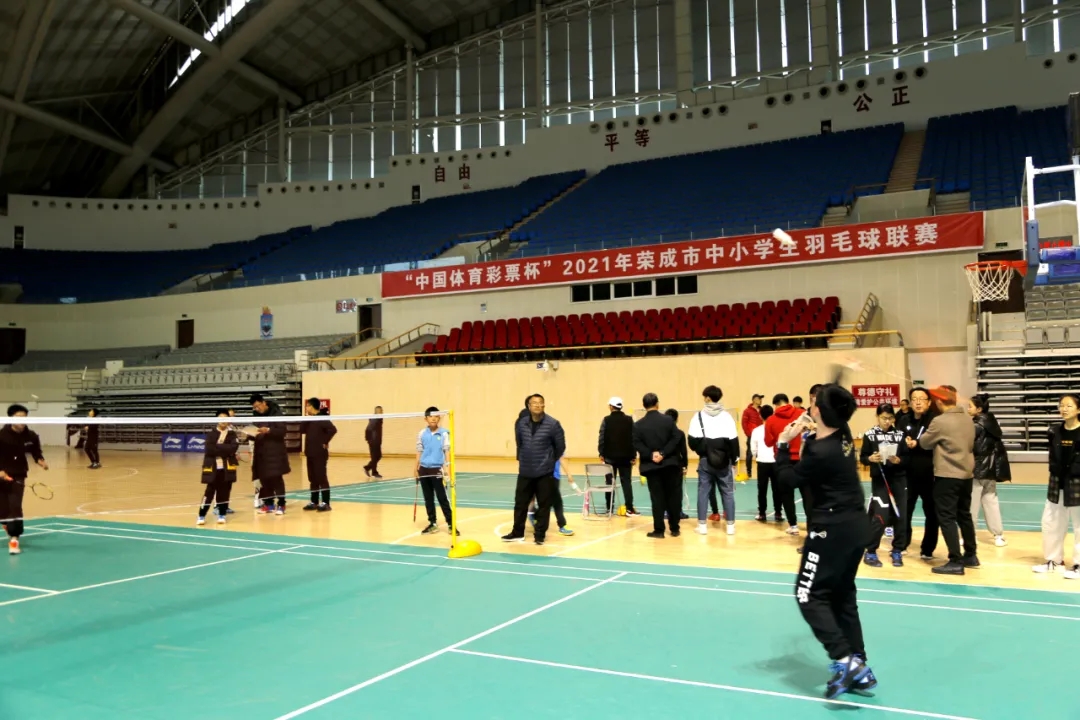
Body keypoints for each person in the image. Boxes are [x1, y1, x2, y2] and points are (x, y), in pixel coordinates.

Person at [775, 384, 875, 700]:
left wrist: (783, 444)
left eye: (815, 403)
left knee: (808, 594)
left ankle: (845, 660)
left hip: (830, 530)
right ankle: (859, 662)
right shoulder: (843, 434)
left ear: (818, 410)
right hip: (856, 526)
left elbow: (787, 480)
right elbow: (832, 414)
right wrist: (813, 422)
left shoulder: (821, 452)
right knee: (842, 595)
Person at [919, 385, 978, 575]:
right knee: (964, 515)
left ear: (938, 402)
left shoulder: (940, 421)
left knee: (946, 517)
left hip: (947, 475)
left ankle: (955, 560)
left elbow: (924, 443)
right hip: (966, 475)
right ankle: (971, 554)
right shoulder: (967, 418)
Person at [504, 394, 566, 546]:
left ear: (544, 405)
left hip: (544, 472)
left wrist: (549, 461)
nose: (538, 405)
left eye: (540, 403)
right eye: (534, 403)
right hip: (525, 471)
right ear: (529, 406)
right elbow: (520, 443)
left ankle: (540, 535)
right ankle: (517, 532)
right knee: (520, 504)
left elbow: (560, 447)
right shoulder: (521, 423)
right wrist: (522, 459)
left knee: (544, 505)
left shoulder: (553, 424)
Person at [1033, 394, 1080, 579]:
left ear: (1078, 409)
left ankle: (1078, 564)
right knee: (1051, 523)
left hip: (1077, 484)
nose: (1064, 409)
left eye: (1069, 405)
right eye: (1061, 405)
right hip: (1057, 484)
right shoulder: (1054, 431)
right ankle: (1054, 560)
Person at [861, 403, 908, 568]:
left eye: (890, 418)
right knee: (880, 516)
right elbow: (863, 457)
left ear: (894, 418)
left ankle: (897, 550)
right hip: (880, 481)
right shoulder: (869, 435)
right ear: (877, 417)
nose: (887, 421)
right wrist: (870, 459)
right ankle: (871, 551)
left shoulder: (900, 435)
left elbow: (908, 458)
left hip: (899, 480)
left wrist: (899, 460)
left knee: (900, 516)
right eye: (883, 418)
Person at [633, 393, 684, 538]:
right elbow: (676, 437)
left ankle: (659, 530)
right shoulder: (668, 420)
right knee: (673, 497)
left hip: (652, 467)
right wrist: (663, 453)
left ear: (644, 406)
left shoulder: (638, 425)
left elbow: (636, 443)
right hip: (670, 464)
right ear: (657, 404)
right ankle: (674, 528)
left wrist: (651, 455)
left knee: (657, 499)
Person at [0, 404, 47, 555]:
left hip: (18, 474)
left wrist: (40, 461)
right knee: (2, 509)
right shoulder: (1, 436)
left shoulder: (31, 436)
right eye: (18, 417)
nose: (22, 420)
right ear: (11, 418)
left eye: (24, 417)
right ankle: (6, 523)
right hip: (1, 473)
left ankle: (14, 539)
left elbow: (36, 451)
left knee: (15, 505)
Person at [901, 387, 940, 560]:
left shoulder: (935, 420)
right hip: (908, 474)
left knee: (931, 513)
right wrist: (904, 441)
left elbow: (935, 442)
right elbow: (897, 439)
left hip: (930, 474)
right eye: (914, 399)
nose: (917, 402)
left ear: (929, 402)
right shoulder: (903, 420)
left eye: (921, 399)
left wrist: (918, 443)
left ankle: (928, 549)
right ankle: (902, 543)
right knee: (905, 510)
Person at [969, 393, 1010, 548]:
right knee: (991, 502)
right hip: (991, 469)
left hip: (977, 469)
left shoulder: (976, 425)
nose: (968, 409)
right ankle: (998, 535)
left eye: (970, 406)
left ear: (979, 409)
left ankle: (969, 535)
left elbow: (973, 447)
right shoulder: (993, 422)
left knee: (971, 504)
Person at [765, 393, 805, 529]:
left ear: (776, 404)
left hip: (783, 461)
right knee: (807, 493)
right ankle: (811, 525)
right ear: (788, 402)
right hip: (801, 459)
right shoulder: (801, 414)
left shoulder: (771, 420)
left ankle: (793, 526)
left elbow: (768, 442)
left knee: (787, 495)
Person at [415, 406, 455, 535]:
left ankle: (451, 524)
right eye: (430, 416)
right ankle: (432, 523)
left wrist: (448, 467)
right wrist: (416, 467)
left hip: (437, 469)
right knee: (428, 498)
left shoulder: (444, 433)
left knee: (442, 498)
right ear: (426, 419)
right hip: (424, 469)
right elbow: (419, 450)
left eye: (436, 416)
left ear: (439, 418)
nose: (433, 418)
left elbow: (446, 450)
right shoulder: (422, 433)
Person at [250, 393, 291, 515]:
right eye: (254, 407)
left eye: (258, 406)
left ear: (264, 402)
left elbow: (282, 431)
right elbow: (255, 433)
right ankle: (269, 504)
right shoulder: (256, 416)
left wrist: (268, 430)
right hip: (261, 453)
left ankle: (281, 504)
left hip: (275, 453)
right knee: (264, 479)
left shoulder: (276, 413)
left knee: (276, 479)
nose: (257, 409)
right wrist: (249, 435)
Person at [598, 397, 639, 516]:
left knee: (609, 482)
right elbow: (634, 438)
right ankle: (629, 508)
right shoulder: (629, 420)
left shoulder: (606, 420)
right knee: (626, 483)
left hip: (609, 458)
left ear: (611, 406)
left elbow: (602, 437)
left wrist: (601, 453)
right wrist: (634, 455)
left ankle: (609, 508)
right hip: (626, 458)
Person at [199, 410, 239, 525]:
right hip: (212, 468)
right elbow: (209, 450)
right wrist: (225, 449)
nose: (223, 421)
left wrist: (218, 447)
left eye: (225, 418)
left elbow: (233, 448)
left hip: (227, 469)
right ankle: (201, 515)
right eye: (221, 418)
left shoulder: (232, 434)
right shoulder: (211, 434)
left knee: (224, 493)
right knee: (209, 493)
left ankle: (222, 515)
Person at [751, 405, 784, 525]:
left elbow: (753, 449)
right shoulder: (778, 428)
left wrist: (757, 455)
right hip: (776, 462)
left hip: (762, 462)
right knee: (777, 489)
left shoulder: (756, 430)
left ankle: (762, 513)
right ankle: (778, 513)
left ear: (760, 416)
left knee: (762, 489)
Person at [303, 398, 337, 512]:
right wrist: (305, 419)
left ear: (312, 406)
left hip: (319, 453)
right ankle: (314, 501)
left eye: (307, 406)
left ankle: (326, 503)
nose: (306, 408)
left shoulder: (322, 418)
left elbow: (333, 429)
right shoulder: (310, 419)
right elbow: (301, 430)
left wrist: (325, 441)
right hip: (309, 453)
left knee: (321, 477)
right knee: (312, 478)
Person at [528, 455, 576, 536]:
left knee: (549, 501)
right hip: (546, 475)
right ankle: (562, 525)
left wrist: (568, 474)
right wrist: (569, 474)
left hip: (554, 476)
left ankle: (535, 516)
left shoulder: (556, 447)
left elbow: (561, 458)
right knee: (557, 502)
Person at [666, 408, 690, 520]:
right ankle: (678, 511)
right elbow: (683, 451)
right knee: (677, 489)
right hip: (677, 464)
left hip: (664, 464)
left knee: (665, 488)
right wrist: (685, 465)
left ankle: (665, 511)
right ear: (676, 419)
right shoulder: (680, 433)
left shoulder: (661, 433)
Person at [741, 394, 764, 479]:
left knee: (760, 454)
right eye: (759, 399)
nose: (760, 400)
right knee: (750, 454)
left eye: (761, 399)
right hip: (751, 435)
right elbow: (744, 423)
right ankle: (749, 471)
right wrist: (748, 434)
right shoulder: (747, 411)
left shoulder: (762, 410)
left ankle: (760, 471)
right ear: (754, 400)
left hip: (761, 436)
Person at [364, 405, 384, 478]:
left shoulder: (379, 419)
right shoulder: (375, 419)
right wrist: (368, 439)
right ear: (377, 411)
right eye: (381, 411)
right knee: (375, 457)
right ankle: (374, 472)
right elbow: (368, 429)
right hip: (373, 441)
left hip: (377, 441)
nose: (382, 412)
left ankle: (368, 468)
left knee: (378, 456)